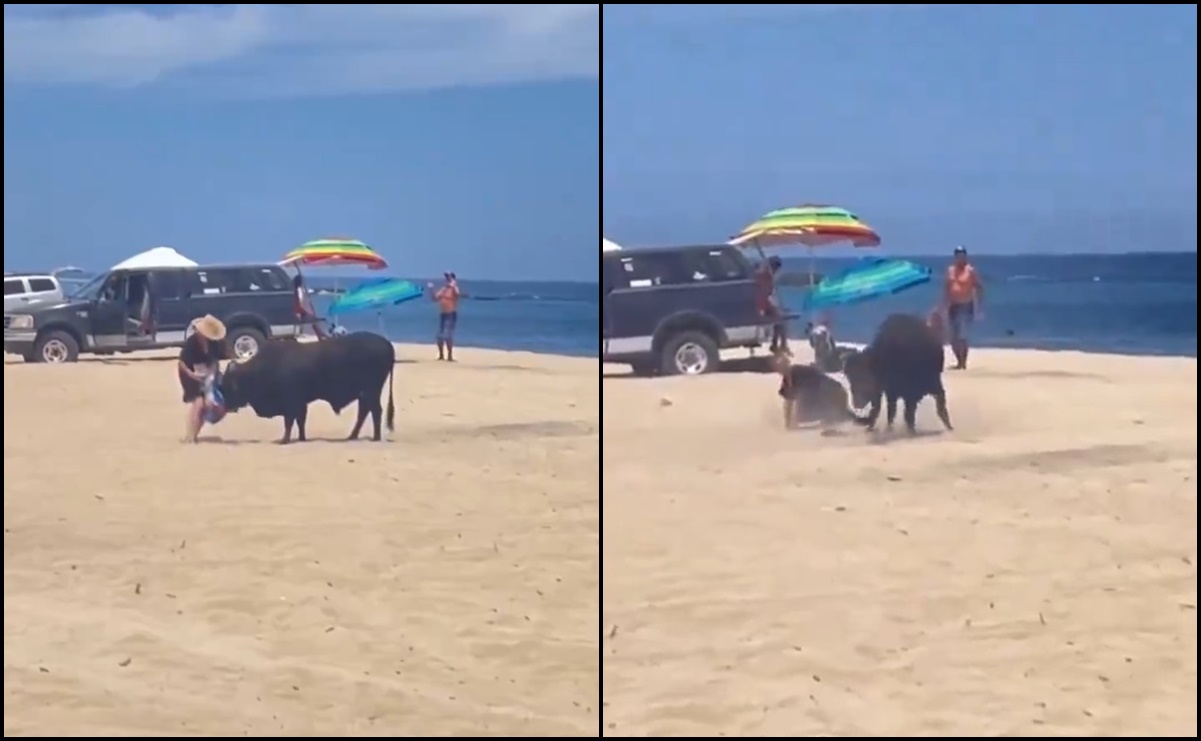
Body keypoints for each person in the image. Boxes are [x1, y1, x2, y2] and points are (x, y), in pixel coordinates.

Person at [178, 315, 227, 443]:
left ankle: (195, 433)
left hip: (207, 374)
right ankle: (190, 436)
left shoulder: (214, 343)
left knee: (207, 405)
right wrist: (192, 375)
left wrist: (212, 374)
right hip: (189, 374)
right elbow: (182, 363)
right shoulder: (192, 342)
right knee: (198, 403)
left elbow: (214, 361)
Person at [943, 245, 984, 370]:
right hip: (953, 305)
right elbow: (946, 289)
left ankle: (963, 362)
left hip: (966, 305)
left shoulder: (970, 271)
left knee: (962, 335)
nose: (960, 257)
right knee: (952, 337)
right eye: (958, 255)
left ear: (965, 256)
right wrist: (943, 306)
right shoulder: (950, 270)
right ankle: (958, 360)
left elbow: (979, 287)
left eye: (962, 255)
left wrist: (979, 306)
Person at [755, 256, 788, 353]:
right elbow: (762, 294)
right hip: (762, 305)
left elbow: (769, 294)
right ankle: (780, 345)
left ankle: (777, 344)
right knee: (781, 320)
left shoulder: (768, 277)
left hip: (765, 304)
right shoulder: (764, 276)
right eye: (775, 268)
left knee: (780, 321)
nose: (776, 271)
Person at [427, 272, 460, 361]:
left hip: (451, 314)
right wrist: (431, 289)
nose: (447, 279)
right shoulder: (444, 289)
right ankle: (441, 355)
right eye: (446, 278)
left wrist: (453, 285)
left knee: (448, 335)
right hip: (443, 314)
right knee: (439, 336)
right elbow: (435, 298)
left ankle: (450, 355)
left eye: (448, 277)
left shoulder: (454, 288)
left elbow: (457, 294)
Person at [292, 273, 329, 340]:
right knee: (314, 320)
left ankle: (320, 335)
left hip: (299, 312)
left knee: (314, 320)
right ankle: (320, 335)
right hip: (299, 313)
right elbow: (298, 304)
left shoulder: (294, 290)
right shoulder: (297, 291)